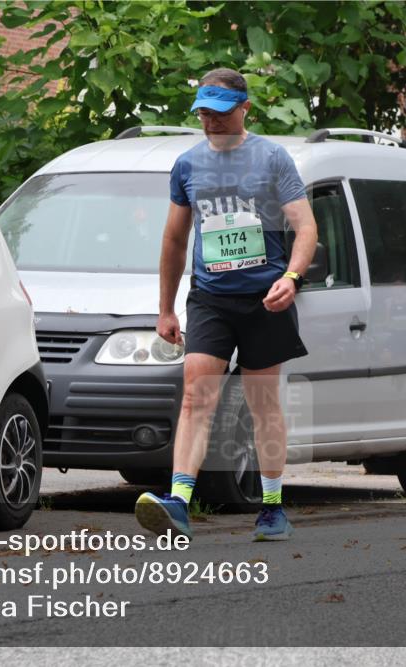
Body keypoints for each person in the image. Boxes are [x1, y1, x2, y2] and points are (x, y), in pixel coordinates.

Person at [134, 68, 318, 542]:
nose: (209, 121)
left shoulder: (273, 158)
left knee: (261, 403)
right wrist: (165, 309)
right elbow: (175, 240)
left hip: (266, 300)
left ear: (243, 109)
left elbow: (306, 228)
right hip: (210, 297)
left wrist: (292, 278)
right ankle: (178, 503)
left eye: (218, 113)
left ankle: (273, 507)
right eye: (202, 113)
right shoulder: (188, 164)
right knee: (197, 396)